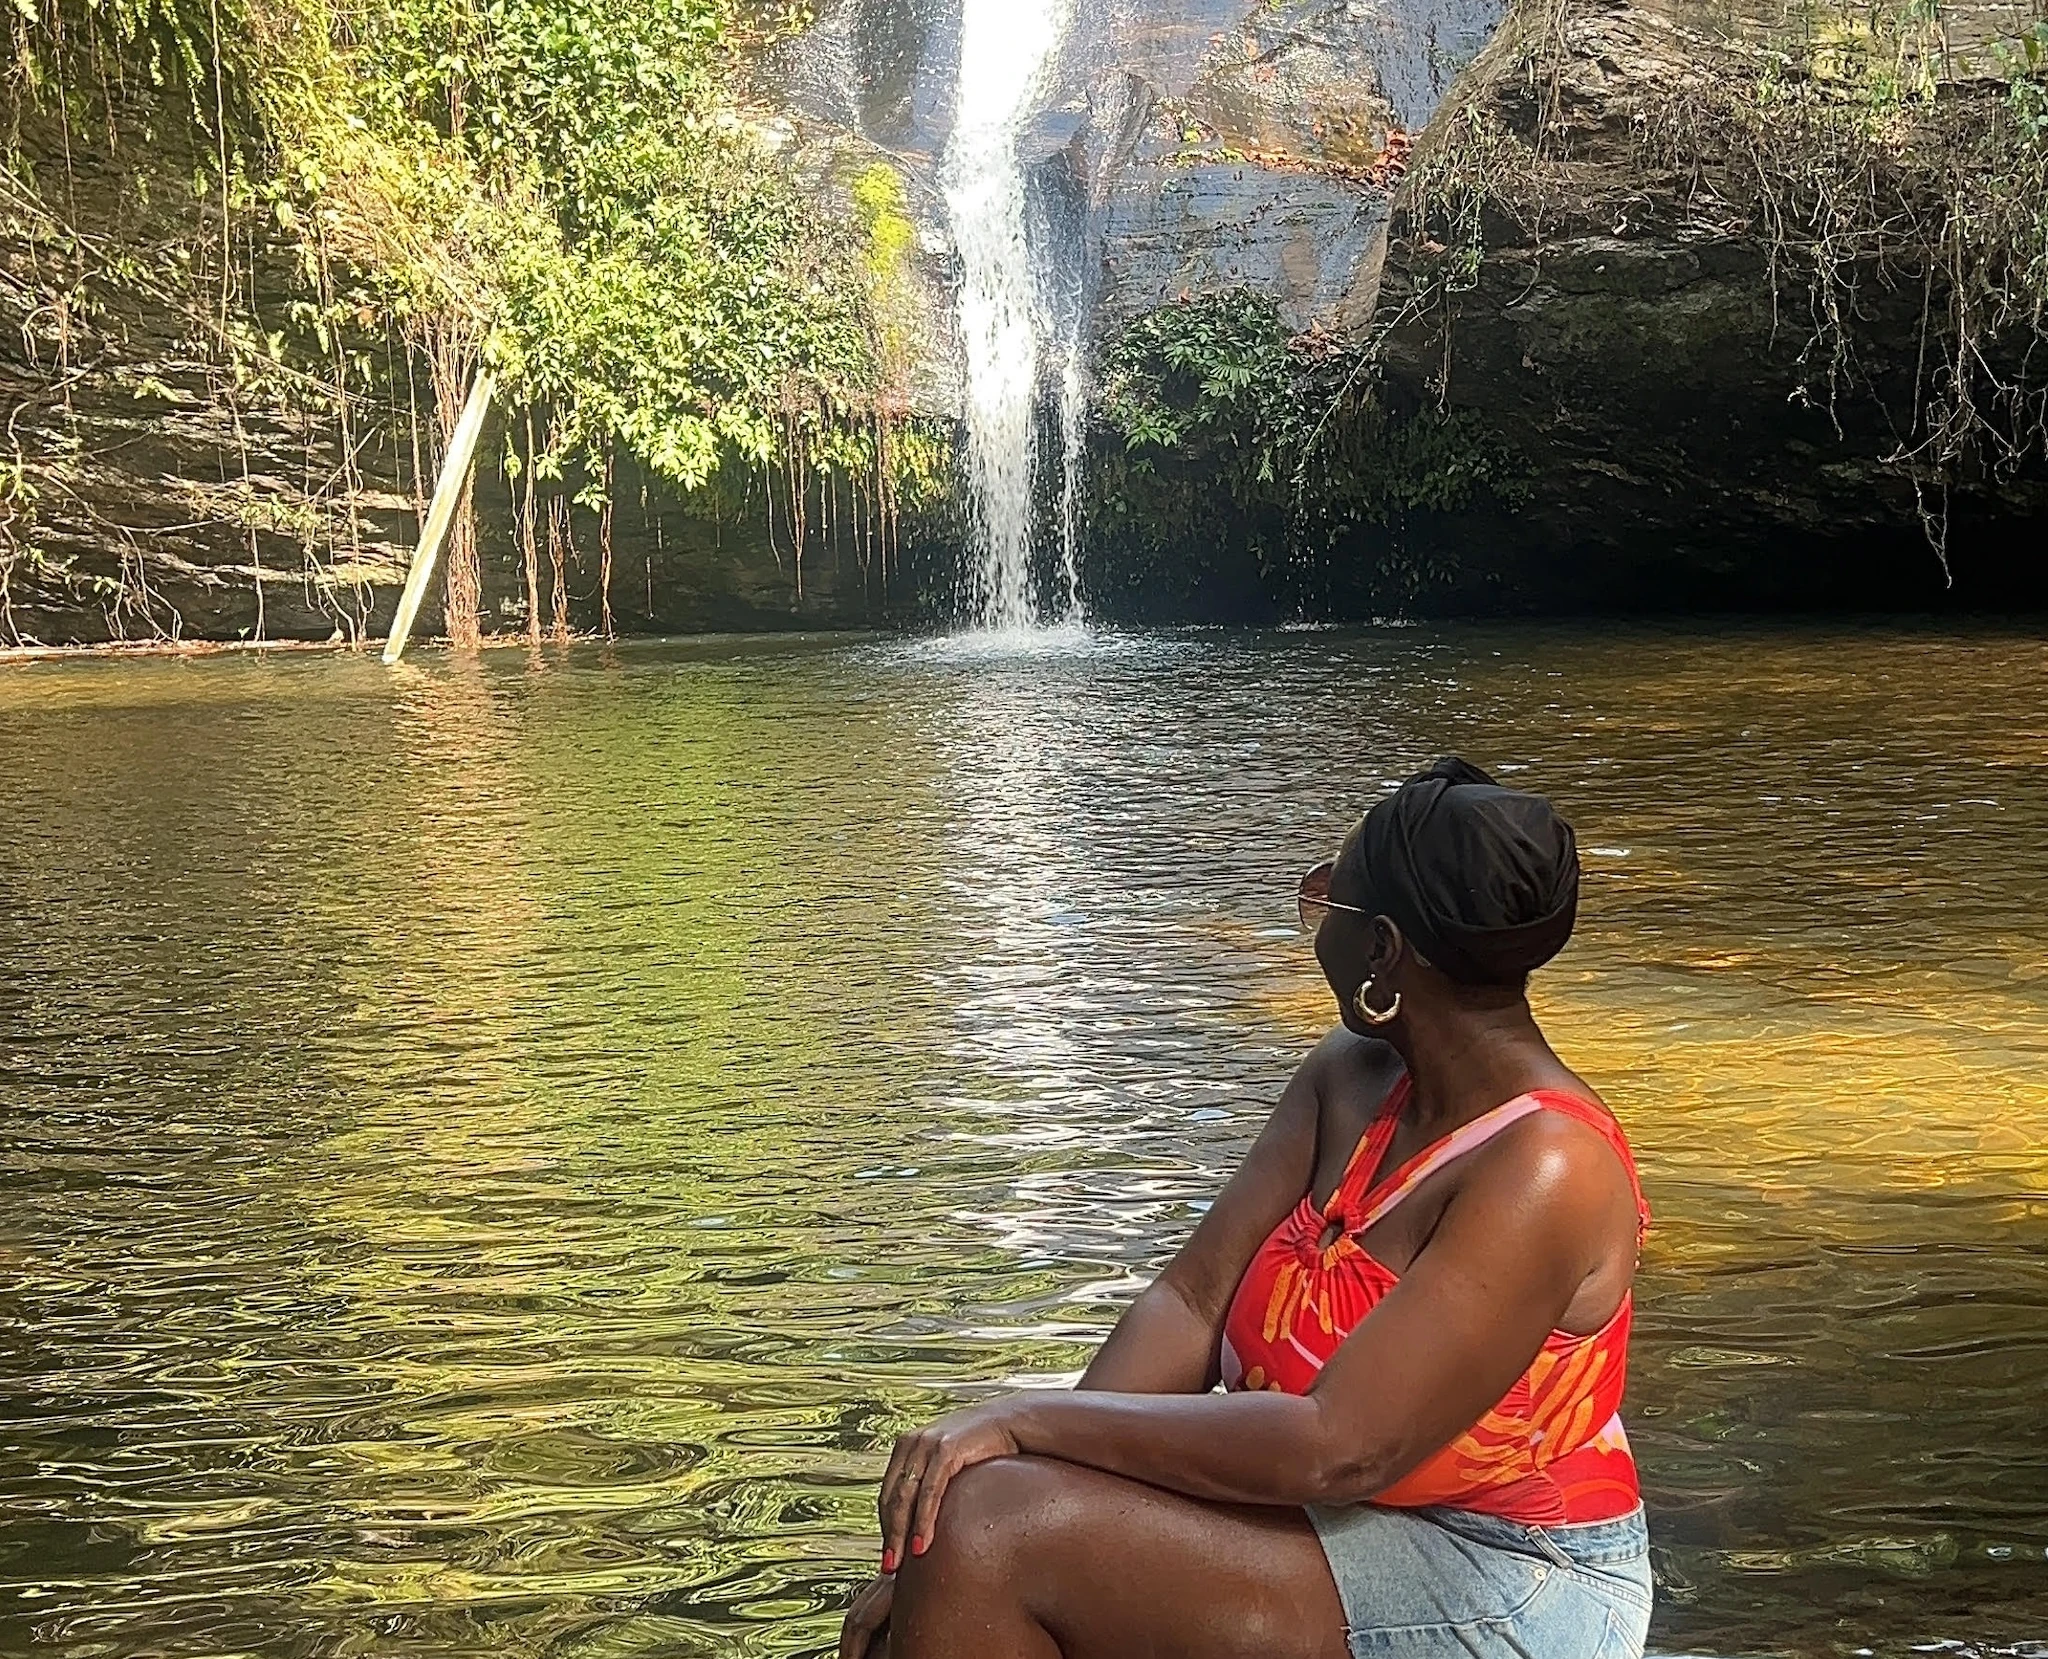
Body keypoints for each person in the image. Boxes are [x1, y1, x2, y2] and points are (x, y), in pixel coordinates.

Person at [839, 758, 1654, 1659]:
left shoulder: (1549, 1167)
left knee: (990, 1531)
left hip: (1508, 1569)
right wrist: (997, 1479)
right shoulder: (1353, 1075)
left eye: (1324, 906)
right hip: (1326, 1517)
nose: (1313, 931)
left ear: (1382, 950)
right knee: (964, 1527)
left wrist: (1018, 1421)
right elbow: (1190, 1301)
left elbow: (1339, 1445)